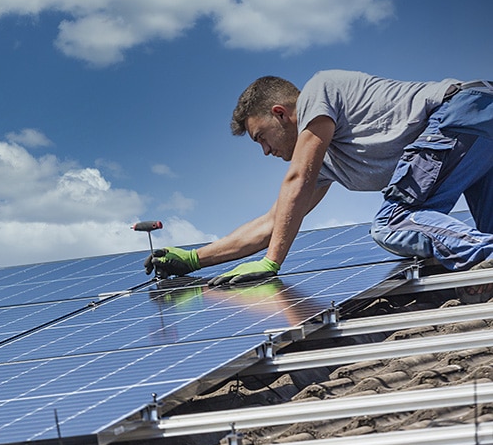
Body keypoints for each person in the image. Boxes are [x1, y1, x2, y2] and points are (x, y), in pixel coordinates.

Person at [145, 70, 493, 286]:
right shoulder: (329, 163)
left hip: (463, 113)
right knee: (476, 237)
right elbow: (274, 222)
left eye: (261, 137)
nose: (265, 151)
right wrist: (194, 259)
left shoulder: (318, 91)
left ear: (280, 114)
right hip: (479, 135)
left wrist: (271, 263)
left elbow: (297, 178)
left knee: (393, 223)